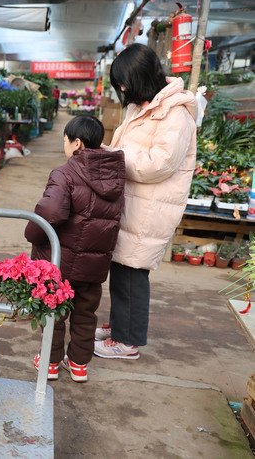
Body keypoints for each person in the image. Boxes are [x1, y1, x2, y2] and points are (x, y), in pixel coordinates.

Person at [93, 43, 197, 360]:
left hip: (150, 208)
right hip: (133, 204)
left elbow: (157, 163)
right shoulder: (141, 106)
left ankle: (128, 342)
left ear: (140, 77)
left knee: (133, 276)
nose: (121, 89)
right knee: (122, 270)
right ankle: (121, 326)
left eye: (124, 82)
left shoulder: (175, 114)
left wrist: (114, 157)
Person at [25, 114, 125, 382]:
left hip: (61, 262)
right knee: (85, 315)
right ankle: (79, 365)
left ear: (77, 143)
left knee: (53, 313)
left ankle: (49, 363)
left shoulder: (64, 173)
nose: (65, 145)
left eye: (66, 140)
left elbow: (51, 213)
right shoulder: (115, 177)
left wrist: (31, 233)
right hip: (94, 266)